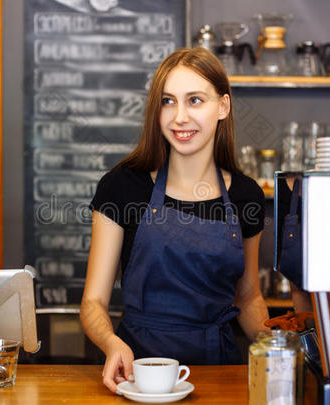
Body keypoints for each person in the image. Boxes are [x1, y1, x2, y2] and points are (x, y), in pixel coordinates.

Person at [80, 47, 269, 394]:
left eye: (195, 100)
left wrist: (280, 348)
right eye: (168, 101)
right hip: (138, 375)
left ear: (223, 106)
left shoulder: (246, 196)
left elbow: (248, 298)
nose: (179, 117)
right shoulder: (122, 187)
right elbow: (93, 302)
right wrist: (111, 343)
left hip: (220, 374)